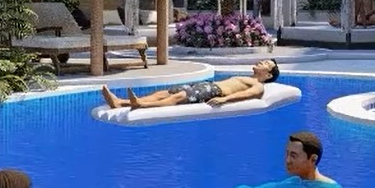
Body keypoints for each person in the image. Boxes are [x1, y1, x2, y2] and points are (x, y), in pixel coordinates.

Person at [233, 130, 343, 188]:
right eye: (287, 154)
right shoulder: (297, 182)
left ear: (313, 159)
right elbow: (276, 187)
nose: (287, 160)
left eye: (293, 156)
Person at [102, 59, 279, 110]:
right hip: (206, 85)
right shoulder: (247, 77)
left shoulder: (259, 85)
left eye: (266, 64)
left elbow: (248, 95)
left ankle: (141, 105)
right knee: (164, 93)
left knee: (179, 97)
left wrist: (225, 100)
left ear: (269, 75)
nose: (261, 62)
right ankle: (121, 102)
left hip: (214, 91)